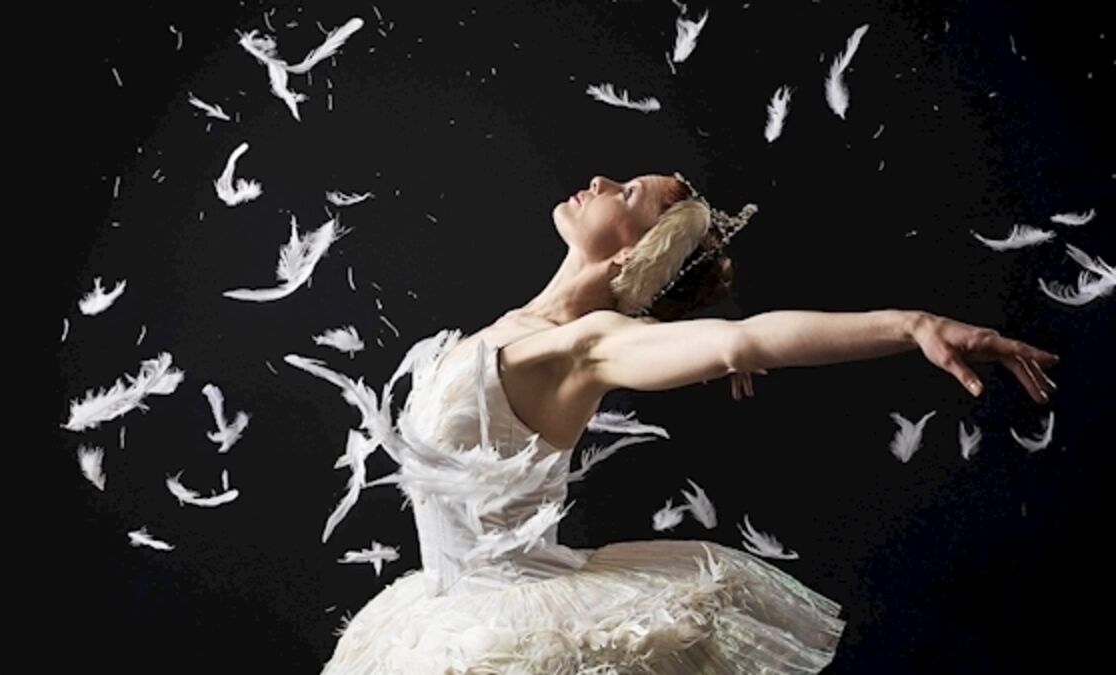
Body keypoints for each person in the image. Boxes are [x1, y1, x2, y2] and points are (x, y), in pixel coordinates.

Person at [303, 172, 1059, 674]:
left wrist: (911, 323)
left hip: (506, 633)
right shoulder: (518, 326)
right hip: (440, 619)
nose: (602, 182)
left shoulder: (584, 346)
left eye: (628, 192)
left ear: (641, 247)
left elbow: (745, 340)